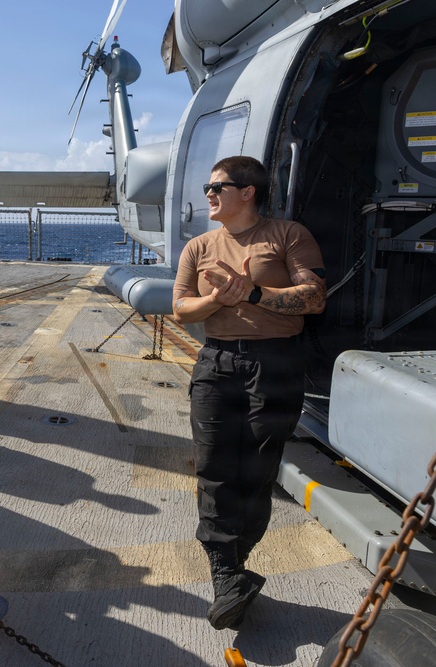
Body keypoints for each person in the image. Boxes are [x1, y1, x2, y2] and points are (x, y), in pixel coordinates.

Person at [171, 155, 326, 630]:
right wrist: (217, 299)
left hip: (276, 363)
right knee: (214, 465)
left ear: (248, 191)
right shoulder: (198, 246)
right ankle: (226, 573)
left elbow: (315, 298)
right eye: (208, 188)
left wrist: (253, 293)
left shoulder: (288, 235)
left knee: (258, 466)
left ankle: (234, 564)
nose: (209, 195)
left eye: (216, 187)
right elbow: (180, 308)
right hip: (217, 362)